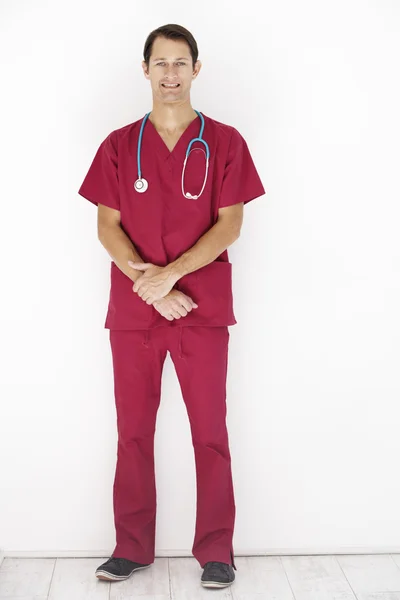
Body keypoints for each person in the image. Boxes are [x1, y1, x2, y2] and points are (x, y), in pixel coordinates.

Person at [78, 23, 266, 589]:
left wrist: (173, 276)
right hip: (135, 313)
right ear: (145, 70)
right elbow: (106, 226)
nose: (170, 74)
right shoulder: (117, 145)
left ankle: (217, 551)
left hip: (201, 310)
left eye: (181, 63)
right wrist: (150, 284)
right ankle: (131, 548)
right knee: (132, 432)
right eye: (160, 63)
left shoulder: (225, 142)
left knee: (210, 432)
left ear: (197, 70)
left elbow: (230, 223)